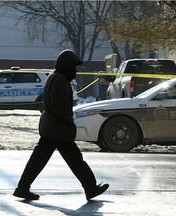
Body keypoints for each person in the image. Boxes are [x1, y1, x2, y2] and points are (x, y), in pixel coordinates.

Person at [13, 49, 109, 201]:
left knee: (39, 160)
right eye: (73, 67)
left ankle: (22, 188)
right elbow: (60, 108)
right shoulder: (60, 80)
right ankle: (90, 188)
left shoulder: (55, 76)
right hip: (58, 128)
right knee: (75, 160)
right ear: (67, 67)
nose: (75, 71)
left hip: (51, 127)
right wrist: (69, 124)